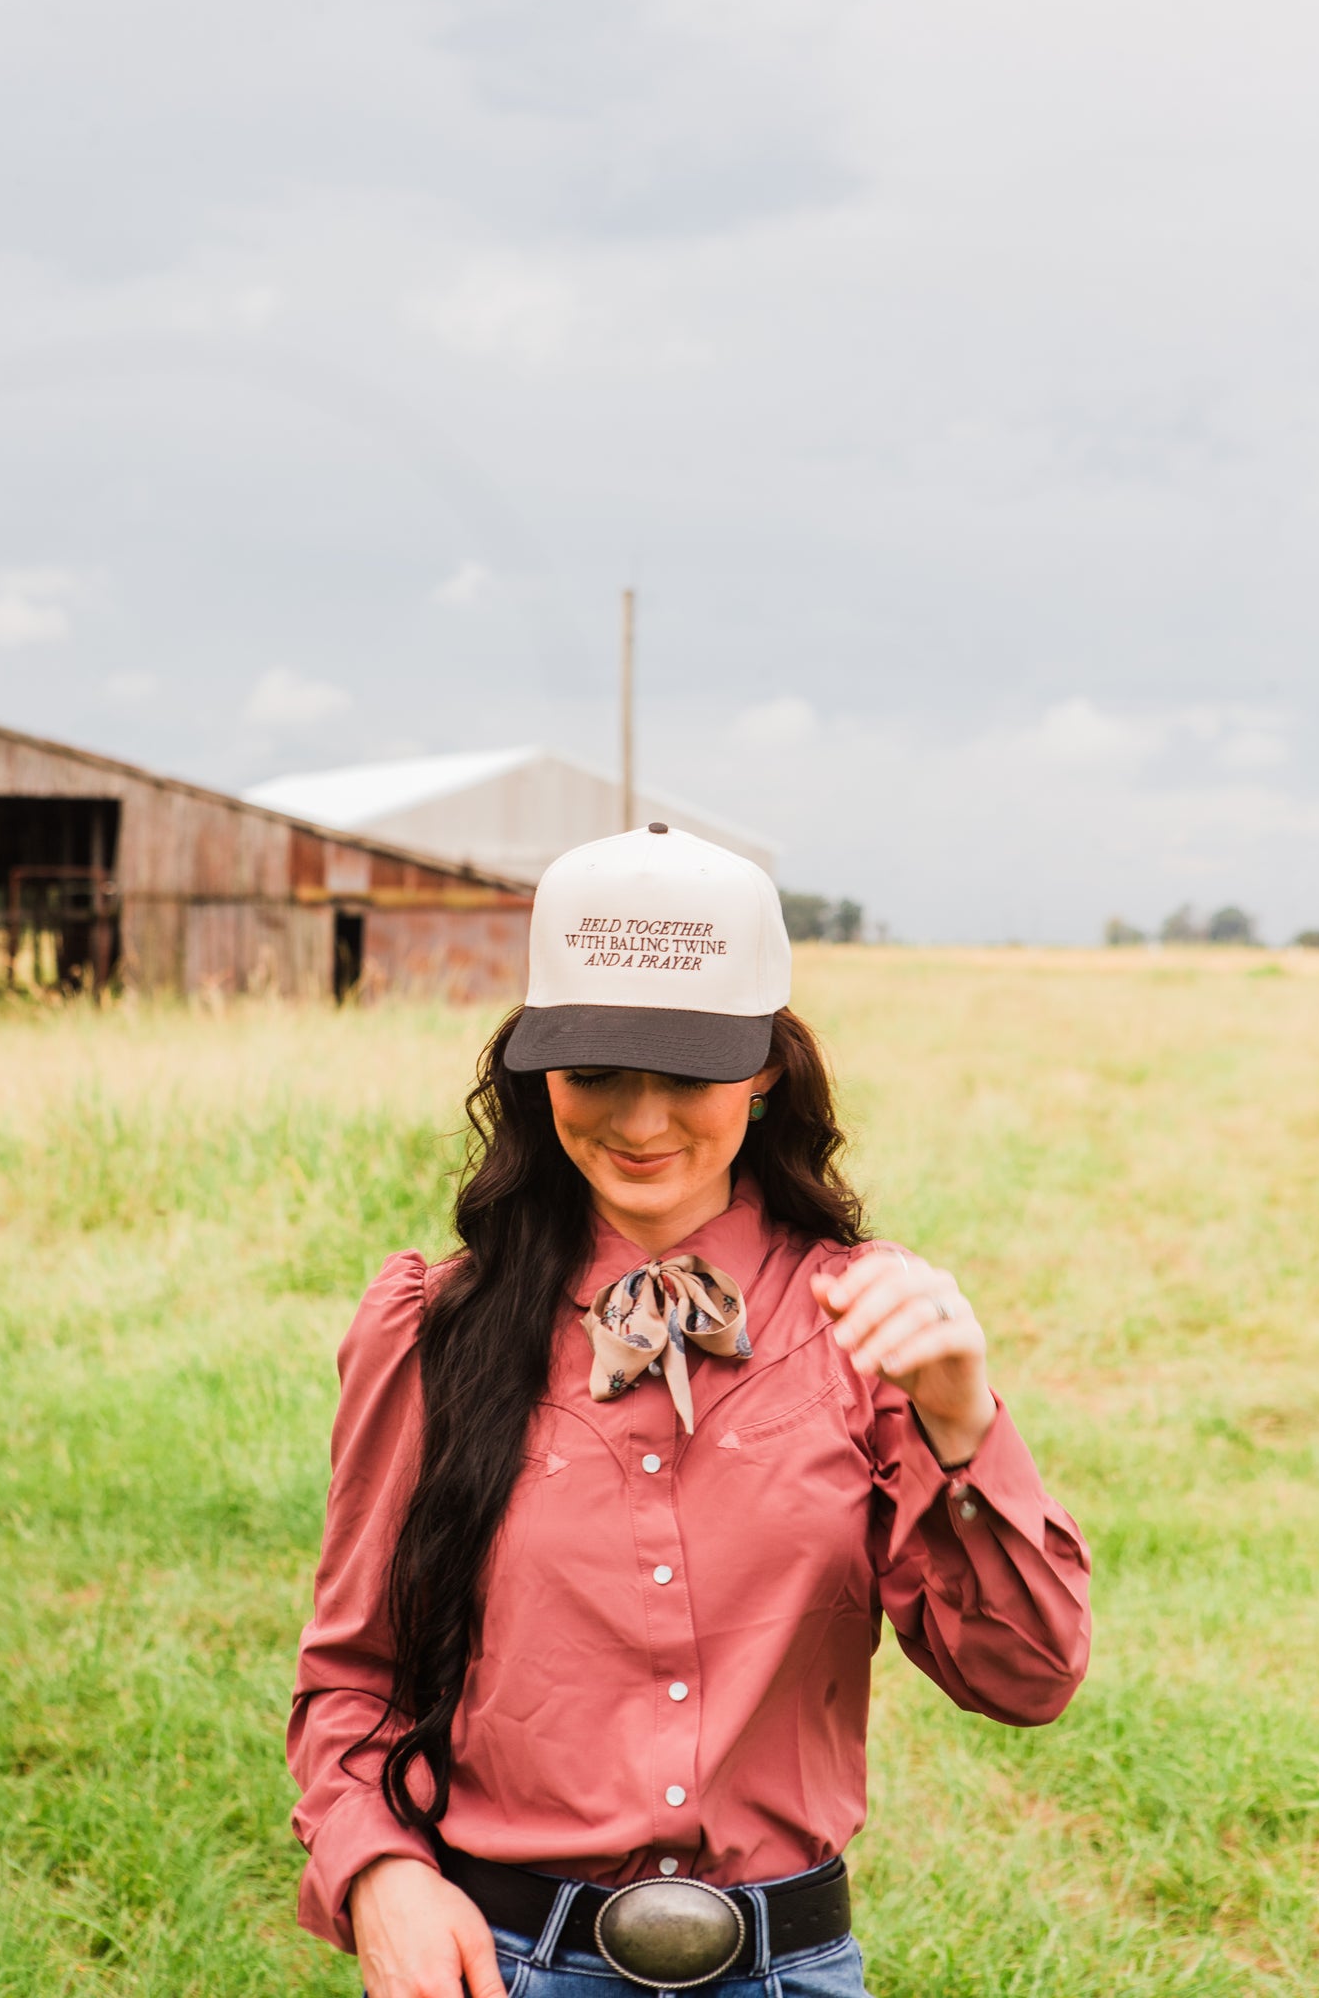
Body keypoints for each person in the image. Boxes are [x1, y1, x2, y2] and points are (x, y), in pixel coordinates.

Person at [289, 824, 1091, 1998]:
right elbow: (352, 1673)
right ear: (533, 1066)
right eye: (595, 1069)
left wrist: (963, 1422)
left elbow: (1024, 1676)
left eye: (686, 1071)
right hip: (497, 1967)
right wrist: (378, 1873)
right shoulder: (433, 1328)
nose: (640, 1120)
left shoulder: (867, 1329)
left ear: (766, 1066)